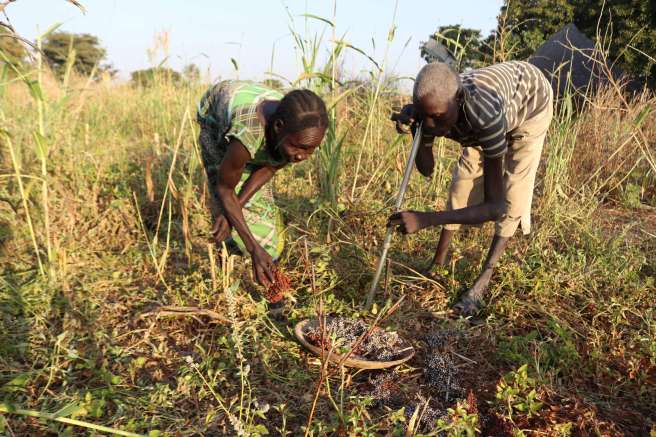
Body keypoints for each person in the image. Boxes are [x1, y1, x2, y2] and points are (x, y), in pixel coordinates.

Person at [388, 60, 553, 315]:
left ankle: (481, 283)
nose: (432, 125)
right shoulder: (433, 109)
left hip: (530, 103)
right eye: (425, 118)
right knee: (461, 183)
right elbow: (427, 169)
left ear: (459, 100)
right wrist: (417, 133)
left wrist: (427, 219)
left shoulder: (484, 117)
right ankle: (438, 264)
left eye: (437, 118)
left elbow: (495, 207)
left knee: (513, 193)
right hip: (480, 114)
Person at [197, 80, 328, 298]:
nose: (301, 156)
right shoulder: (248, 132)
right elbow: (225, 188)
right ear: (278, 128)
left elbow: (270, 166)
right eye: (298, 147)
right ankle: (226, 258)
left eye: (310, 150)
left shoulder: (297, 129)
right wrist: (253, 248)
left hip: (260, 113)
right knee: (224, 198)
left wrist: (234, 209)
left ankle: (271, 285)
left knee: (247, 208)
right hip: (214, 115)